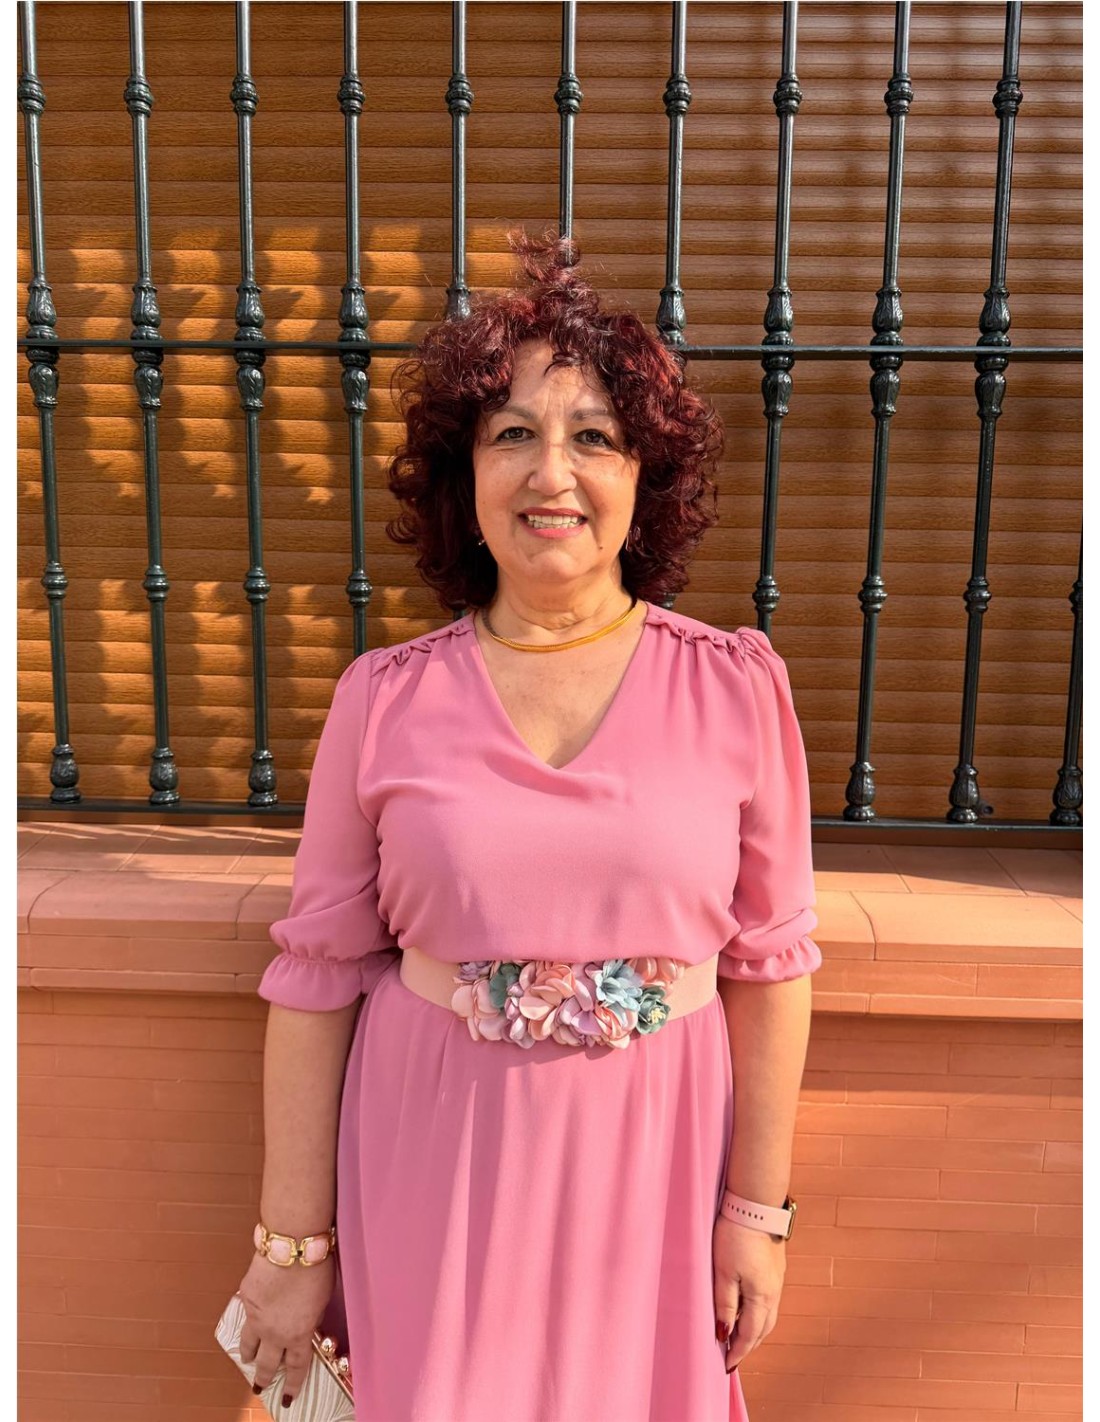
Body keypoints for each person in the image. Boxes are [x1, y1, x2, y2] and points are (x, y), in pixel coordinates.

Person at [235, 229, 822, 1421]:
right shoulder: (382, 700)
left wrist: (753, 1215)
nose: (552, 472)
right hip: (432, 1165)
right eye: (512, 434)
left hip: (655, 1176)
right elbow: (316, 976)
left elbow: (769, 967)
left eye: (592, 437)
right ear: (462, 480)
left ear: (643, 478)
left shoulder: (734, 688)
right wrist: (291, 1248)